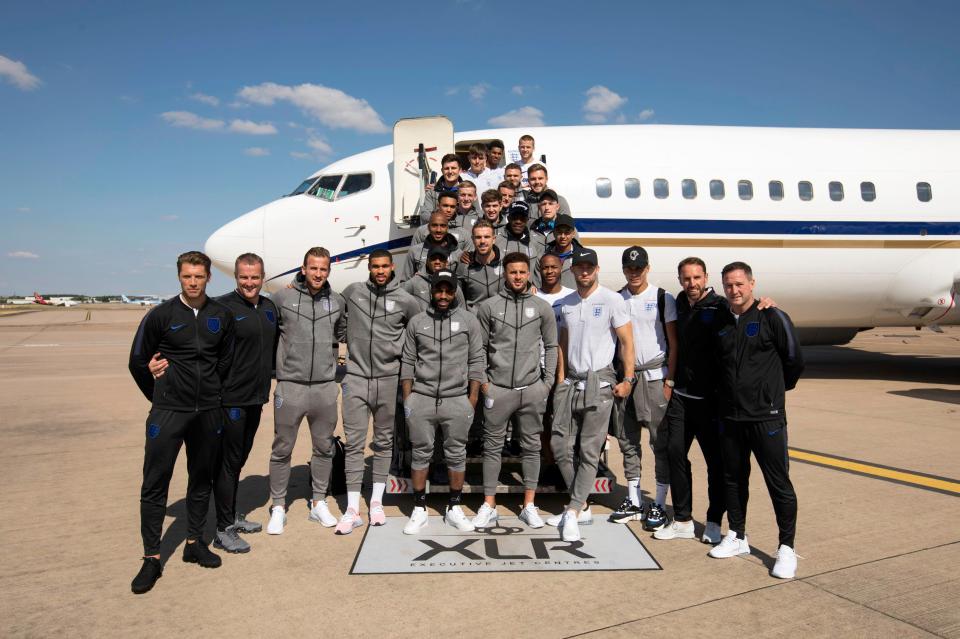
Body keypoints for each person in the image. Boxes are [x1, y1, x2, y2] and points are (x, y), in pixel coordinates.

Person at [128, 251, 236, 594]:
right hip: (168, 412)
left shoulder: (221, 315)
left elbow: (225, 361)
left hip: (207, 413)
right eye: (188, 276)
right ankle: (151, 557)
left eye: (199, 277)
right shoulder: (160, 315)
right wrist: (159, 394)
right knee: (155, 483)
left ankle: (194, 543)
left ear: (208, 278)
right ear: (179, 277)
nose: (193, 282)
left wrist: (211, 396)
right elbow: (137, 361)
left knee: (201, 479)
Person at [708, 262, 804, 580]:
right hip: (731, 417)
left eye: (739, 284)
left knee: (779, 483)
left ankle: (786, 548)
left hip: (767, 417)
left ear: (752, 284)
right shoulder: (722, 321)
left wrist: (771, 394)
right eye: (728, 285)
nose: (734, 290)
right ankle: (737, 536)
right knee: (734, 480)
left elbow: (793, 361)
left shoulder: (772, 316)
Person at [549, 248, 635, 542]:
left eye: (589, 267)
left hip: (600, 384)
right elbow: (562, 343)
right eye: (579, 268)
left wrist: (628, 378)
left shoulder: (613, 300)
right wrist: (560, 380)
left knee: (588, 450)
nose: (584, 272)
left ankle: (572, 511)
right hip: (571, 383)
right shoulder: (566, 303)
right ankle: (581, 503)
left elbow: (626, 341)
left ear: (597, 269)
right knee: (559, 445)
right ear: (572, 271)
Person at [472, 252, 557, 529]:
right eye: (512, 272)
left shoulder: (542, 307)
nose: (518, 277)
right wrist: (485, 383)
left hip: (532, 389)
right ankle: (489, 505)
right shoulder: (489, 307)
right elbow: (480, 349)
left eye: (522, 272)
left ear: (529, 273)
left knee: (532, 448)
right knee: (492, 448)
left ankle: (529, 505)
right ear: (505, 274)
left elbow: (552, 346)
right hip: (498, 389)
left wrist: (547, 383)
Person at [338, 250, 420, 534]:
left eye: (385, 266)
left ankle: (375, 501)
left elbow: (418, 331)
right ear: (369, 268)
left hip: (388, 379)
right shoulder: (353, 292)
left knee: (384, 442)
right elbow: (328, 305)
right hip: (357, 377)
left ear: (392, 267)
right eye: (375, 266)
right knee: (354, 443)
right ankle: (351, 507)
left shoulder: (406, 300)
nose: (380, 270)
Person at [266, 247, 347, 535]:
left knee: (324, 447)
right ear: (303, 269)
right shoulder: (282, 298)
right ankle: (278, 506)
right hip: (291, 386)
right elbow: (263, 333)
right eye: (313, 268)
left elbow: (346, 334)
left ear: (328, 271)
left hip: (325, 388)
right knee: (282, 449)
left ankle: (318, 502)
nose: (318, 274)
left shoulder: (337, 302)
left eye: (323, 269)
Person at [399, 270, 486, 534]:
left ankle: (454, 507)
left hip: (456, 399)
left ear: (455, 291)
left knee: (456, 454)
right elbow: (408, 363)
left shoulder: (469, 321)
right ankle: (419, 508)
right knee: (421, 452)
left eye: (449, 290)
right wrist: (408, 399)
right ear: (432, 291)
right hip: (422, 398)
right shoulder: (417, 322)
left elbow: (476, 361)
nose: (444, 295)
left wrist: (471, 399)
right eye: (439, 290)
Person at [210, 254, 278, 551]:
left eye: (254, 277)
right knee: (228, 462)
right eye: (243, 278)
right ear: (236, 278)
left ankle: (232, 515)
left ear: (263, 277)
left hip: (256, 398)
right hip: (231, 400)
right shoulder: (223, 308)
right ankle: (223, 529)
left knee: (238, 461)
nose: (249, 283)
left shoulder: (268, 308)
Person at [608, 247, 678, 531]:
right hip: (627, 379)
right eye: (629, 269)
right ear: (623, 270)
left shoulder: (663, 298)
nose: (634, 273)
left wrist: (670, 381)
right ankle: (635, 499)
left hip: (654, 378)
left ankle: (659, 502)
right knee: (627, 441)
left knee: (659, 443)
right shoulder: (617, 298)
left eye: (638, 268)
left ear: (647, 268)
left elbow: (674, 343)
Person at [398, 211, 462, 282]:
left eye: (442, 226)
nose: (438, 230)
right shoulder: (414, 251)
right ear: (428, 227)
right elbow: (404, 282)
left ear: (447, 228)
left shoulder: (458, 254)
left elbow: (463, 284)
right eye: (434, 225)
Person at [402, 245, 466, 311]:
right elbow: (398, 299)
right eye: (433, 258)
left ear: (446, 263)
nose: (437, 262)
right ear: (427, 262)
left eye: (441, 259)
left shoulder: (453, 284)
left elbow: (463, 311)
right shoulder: (415, 282)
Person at [458, 220, 503, 311]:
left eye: (486, 237)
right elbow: (459, 298)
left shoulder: (506, 263)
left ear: (493, 239)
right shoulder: (463, 266)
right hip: (475, 319)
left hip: (501, 318)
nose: (482, 241)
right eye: (478, 237)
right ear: (472, 239)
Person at [531, 213, 580, 289]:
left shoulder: (582, 256)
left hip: (575, 300)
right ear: (554, 233)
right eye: (559, 232)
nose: (563, 236)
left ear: (573, 234)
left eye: (567, 232)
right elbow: (538, 286)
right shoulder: (542, 256)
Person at [420, 153, 464, 224]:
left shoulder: (467, 191)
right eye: (446, 168)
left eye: (453, 168)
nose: (450, 171)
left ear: (460, 170)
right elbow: (425, 215)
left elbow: (474, 213)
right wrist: (442, 222)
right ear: (442, 170)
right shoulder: (432, 192)